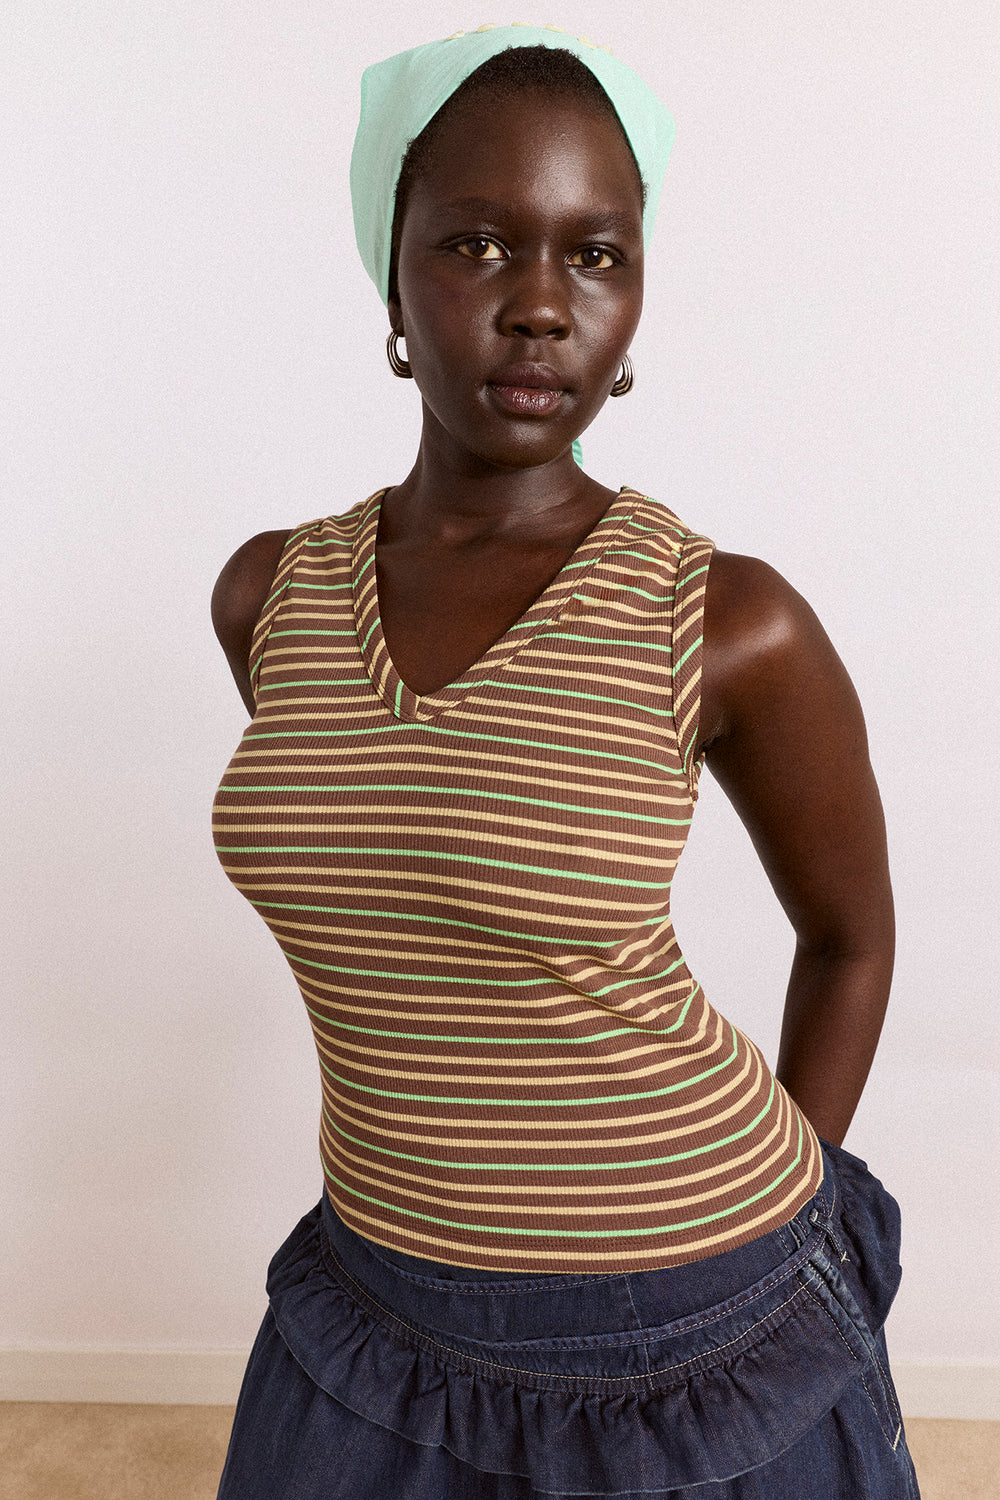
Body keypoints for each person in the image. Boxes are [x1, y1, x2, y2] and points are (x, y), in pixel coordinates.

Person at [210, 24, 919, 1499]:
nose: (540, 306)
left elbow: (850, 938)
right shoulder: (271, 595)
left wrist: (779, 1240)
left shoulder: (725, 618)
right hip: (378, 1297)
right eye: (477, 244)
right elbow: (393, 869)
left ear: (636, 296)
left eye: (595, 255)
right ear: (392, 278)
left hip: (694, 1319)